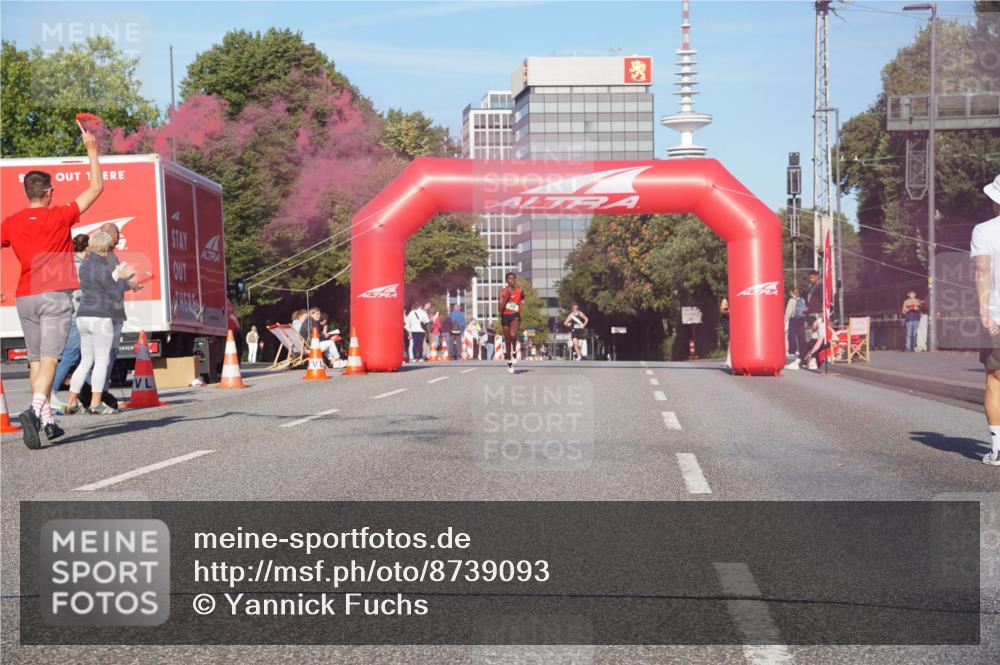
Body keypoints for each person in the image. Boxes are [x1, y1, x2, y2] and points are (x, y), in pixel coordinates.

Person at [1, 120, 104, 448]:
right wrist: (92, 151)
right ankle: (33, 411)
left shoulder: (12, 222)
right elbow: (95, 189)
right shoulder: (60, 215)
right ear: (47, 192)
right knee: (50, 360)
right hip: (54, 295)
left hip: (25, 296)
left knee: (35, 360)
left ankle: (47, 421)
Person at [64, 231, 132, 415]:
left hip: (83, 316)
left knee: (85, 361)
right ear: (106, 248)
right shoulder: (102, 268)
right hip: (100, 317)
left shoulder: (85, 265)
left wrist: (115, 277)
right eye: (111, 247)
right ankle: (95, 403)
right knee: (101, 361)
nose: (112, 250)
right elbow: (115, 294)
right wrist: (123, 277)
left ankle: (71, 403)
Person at [971, 174, 1000, 466]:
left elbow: (983, 271)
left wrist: (983, 310)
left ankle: (998, 450)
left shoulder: (984, 231)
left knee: (995, 380)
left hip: (997, 316)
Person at [51, 233, 90, 411]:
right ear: (87, 248)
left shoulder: (73, 264)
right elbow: (78, 293)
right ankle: (50, 393)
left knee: (84, 357)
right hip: (76, 316)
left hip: (74, 315)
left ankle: (88, 395)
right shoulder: (79, 266)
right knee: (70, 356)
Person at [499, 273, 524, 374]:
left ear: (515, 280)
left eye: (513, 279)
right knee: (507, 339)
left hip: (515, 316)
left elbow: (522, 299)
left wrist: (520, 305)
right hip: (505, 316)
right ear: (506, 281)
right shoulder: (502, 291)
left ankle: (514, 351)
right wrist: (506, 298)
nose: (511, 281)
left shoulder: (520, 291)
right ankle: (509, 363)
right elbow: (500, 309)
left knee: (513, 335)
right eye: (509, 279)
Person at [784, 287, 807, 368]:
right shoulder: (803, 300)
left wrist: (785, 320)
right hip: (801, 319)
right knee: (801, 335)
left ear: (792, 293)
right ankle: (801, 350)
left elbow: (788, 311)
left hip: (793, 318)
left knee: (791, 335)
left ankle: (792, 350)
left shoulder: (791, 300)